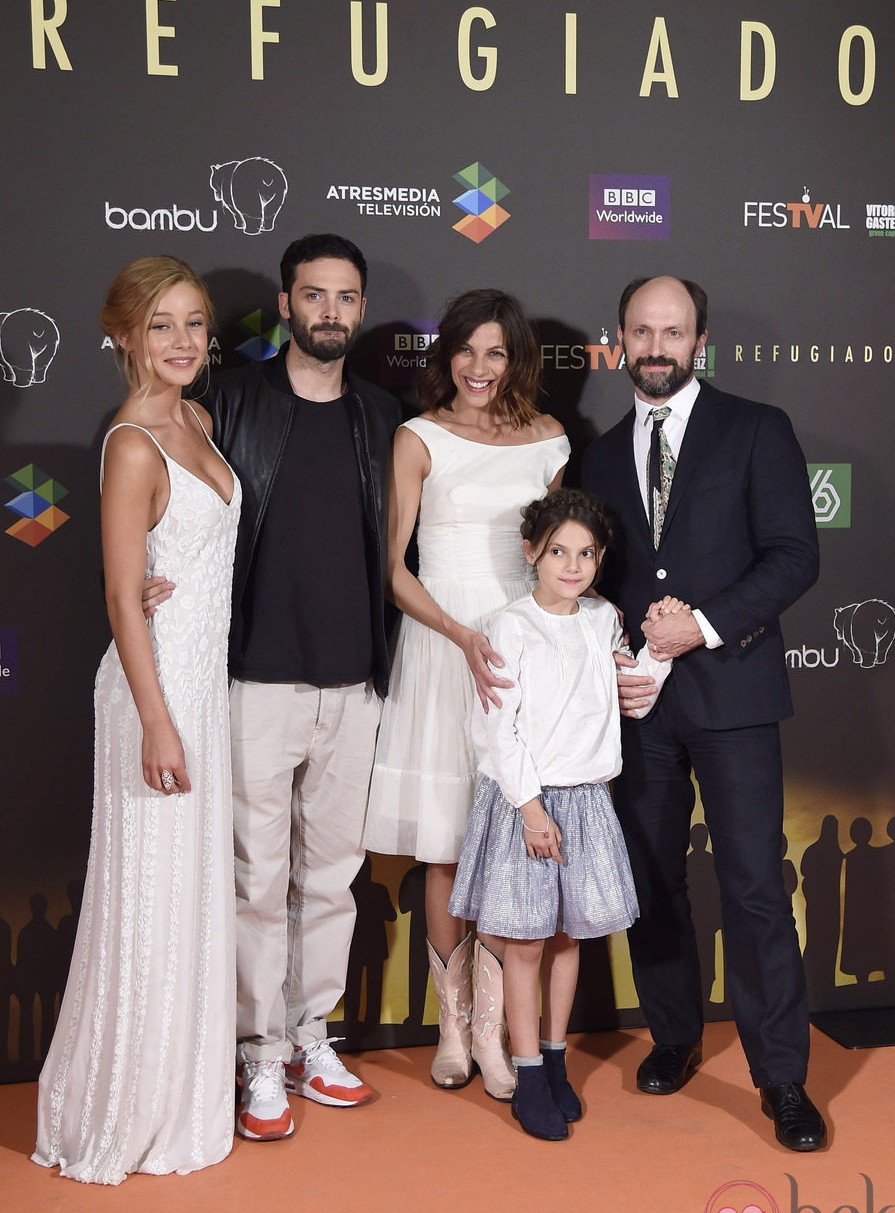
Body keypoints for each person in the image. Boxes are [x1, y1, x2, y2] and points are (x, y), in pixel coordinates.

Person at [143, 234, 401, 1141]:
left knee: (333, 879)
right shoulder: (229, 403)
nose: (331, 310)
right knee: (258, 882)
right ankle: (257, 1056)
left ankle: (309, 1036)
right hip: (253, 681)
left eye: (346, 296)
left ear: (360, 309)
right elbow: (171, 498)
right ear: (286, 305)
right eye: (314, 294)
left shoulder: (382, 415)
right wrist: (139, 572)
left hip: (356, 686)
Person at [581, 275, 826, 1152]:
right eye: (641, 330)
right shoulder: (599, 455)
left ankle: (783, 1078)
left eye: (672, 331)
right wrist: (616, 653)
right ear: (619, 339)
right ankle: (676, 1036)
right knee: (654, 881)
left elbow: (797, 555)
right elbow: (590, 583)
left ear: (700, 338)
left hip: (734, 695)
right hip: (639, 707)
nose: (655, 345)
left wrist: (704, 626)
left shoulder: (758, 430)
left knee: (757, 886)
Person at [34, 257, 239, 1182]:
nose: (183, 341)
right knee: (148, 900)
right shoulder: (129, 442)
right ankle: (125, 1105)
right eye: (161, 325)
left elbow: (169, 565)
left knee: (186, 895)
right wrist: (159, 724)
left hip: (202, 684)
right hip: (156, 697)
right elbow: (121, 598)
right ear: (122, 334)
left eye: (194, 322)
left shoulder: (195, 418)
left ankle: (179, 1093)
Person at [363, 290, 570, 1099]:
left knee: (511, 842)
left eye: (497, 353)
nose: (479, 369)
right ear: (445, 356)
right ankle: (451, 1027)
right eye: (466, 351)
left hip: (521, 660)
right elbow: (390, 565)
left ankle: (494, 1032)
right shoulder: (417, 439)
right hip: (446, 652)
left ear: (517, 359)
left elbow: (557, 560)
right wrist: (460, 636)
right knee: (448, 849)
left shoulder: (549, 442)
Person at [449, 489, 680, 1140]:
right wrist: (528, 808)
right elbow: (498, 725)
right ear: (533, 552)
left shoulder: (604, 618)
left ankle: (556, 1062)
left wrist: (659, 649)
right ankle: (526, 1073)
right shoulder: (507, 624)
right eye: (558, 551)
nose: (572, 565)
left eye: (585, 553)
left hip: (587, 798)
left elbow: (628, 695)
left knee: (569, 938)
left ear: (600, 559)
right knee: (525, 943)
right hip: (530, 800)